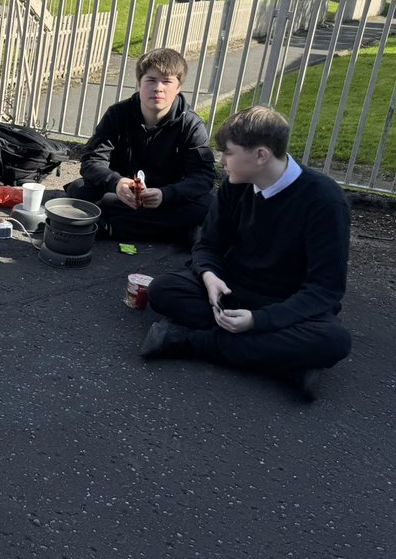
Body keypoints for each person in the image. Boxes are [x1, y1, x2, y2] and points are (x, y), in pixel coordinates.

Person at [142, 106, 352, 393]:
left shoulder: (325, 201)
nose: (221, 161)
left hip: (289, 302)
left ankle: (189, 341)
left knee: (334, 341)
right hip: (233, 289)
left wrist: (258, 321)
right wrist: (210, 277)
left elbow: (325, 290)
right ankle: (289, 366)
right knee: (163, 290)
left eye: (228, 153)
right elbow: (208, 245)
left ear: (261, 155)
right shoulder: (236, 184)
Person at [64, 47, 215, 242]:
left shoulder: (190, 123)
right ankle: (174, 232)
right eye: (151, 80)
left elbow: (203, 176)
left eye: (167, 81)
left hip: (164, 198)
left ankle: (108, 227)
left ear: (178, 88)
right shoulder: (118, 113)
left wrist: (166, 194)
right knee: (79, 189)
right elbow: (92, 160)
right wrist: (116, 182)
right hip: (122, 194)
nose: (158, 88)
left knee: (209, 206)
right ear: (138, 84)